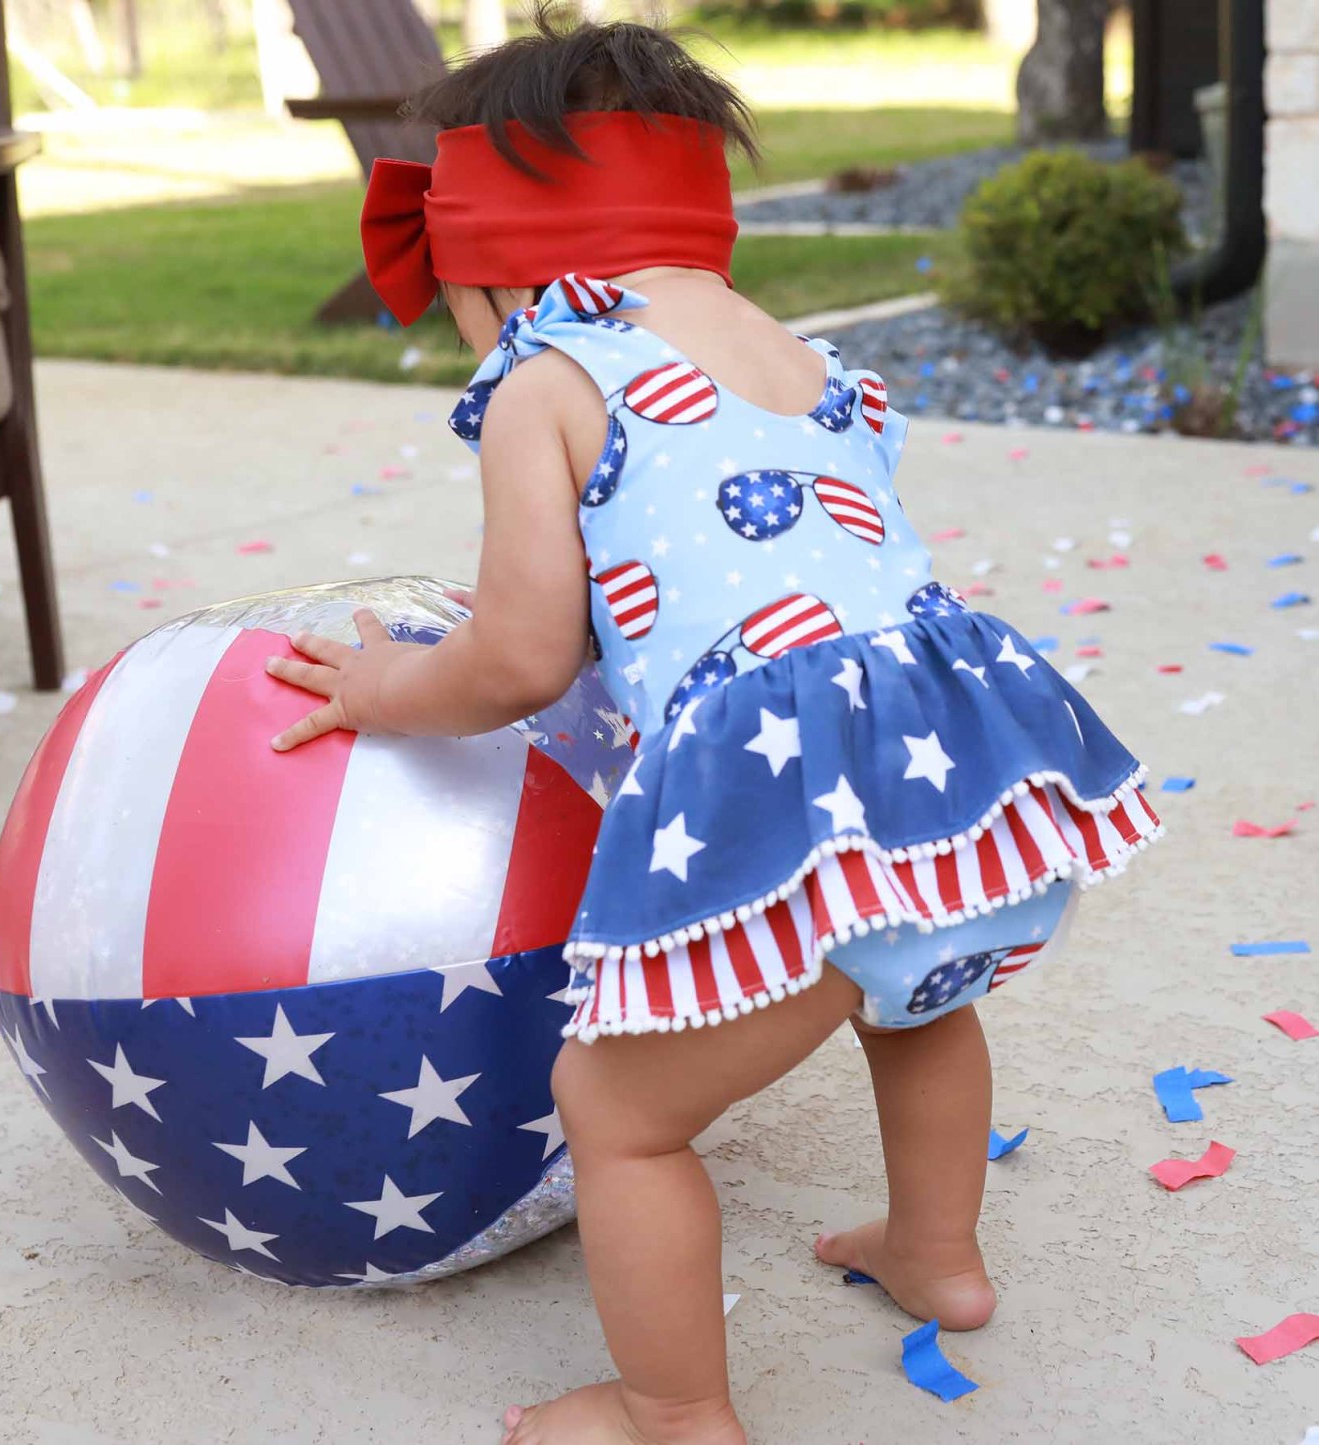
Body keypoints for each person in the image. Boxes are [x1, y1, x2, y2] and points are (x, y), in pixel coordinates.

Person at [265, 12, 1162, 1443]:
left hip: (798, 804)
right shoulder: (796, 359)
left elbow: (514, 654)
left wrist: (385, 687)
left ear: (491, 264)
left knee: (617, 1112)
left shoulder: (546, 384)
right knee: (914, 999)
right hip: (960, 787)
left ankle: (668, 1406)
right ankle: (936, 1254)